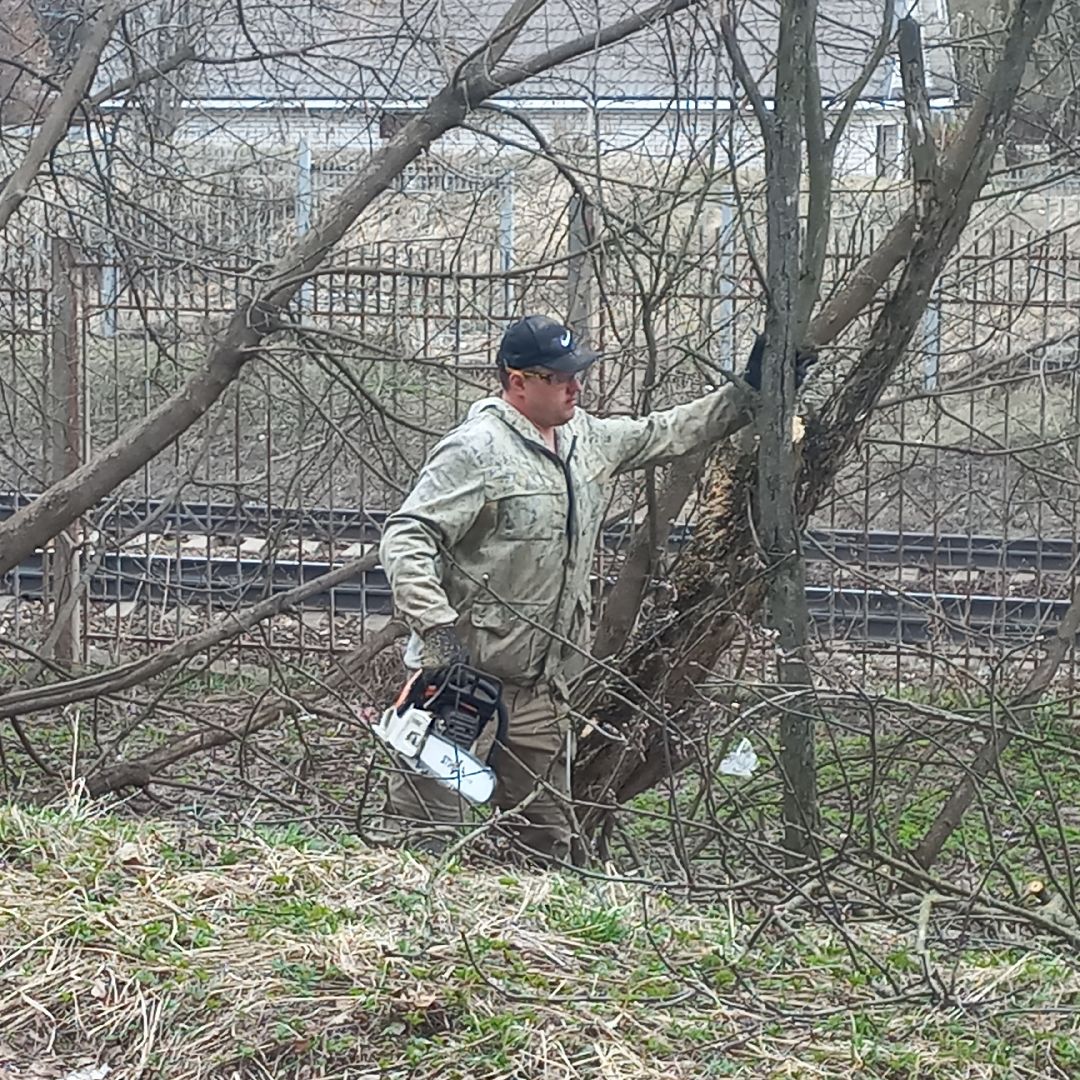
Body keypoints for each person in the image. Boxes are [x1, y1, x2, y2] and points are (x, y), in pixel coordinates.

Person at [376, 314, 815, 863]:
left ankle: (537, 937)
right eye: (560, 378)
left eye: (576, 374)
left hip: (539, 687)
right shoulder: (476, 450)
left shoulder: (586, 438)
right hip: (459, 679)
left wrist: (749, 391)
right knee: (425, 830)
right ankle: (419, 931)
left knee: (548, 838)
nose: (575, 387)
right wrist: (436, 630)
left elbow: (668, 431)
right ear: (519, 382)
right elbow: (407, 536)